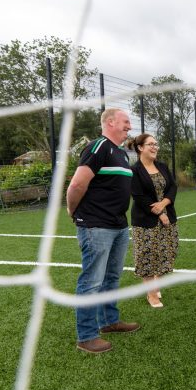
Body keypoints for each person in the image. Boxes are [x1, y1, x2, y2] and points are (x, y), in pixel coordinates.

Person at [66, 108, 140, 354]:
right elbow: (77, 184)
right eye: (125, 122)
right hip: (96, 225)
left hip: (118, 225)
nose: (129, 126)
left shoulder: (121, 153)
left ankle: (109, 321)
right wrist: (72, 210)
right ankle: (86, 336)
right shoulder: (98, 147)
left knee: (111, 277)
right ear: (110, 122)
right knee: (91, 281)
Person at [128, 133, 178, 308]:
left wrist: (164, 204)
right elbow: (138, 196)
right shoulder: (134, 170)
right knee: (147, 257)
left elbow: (173, 187)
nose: (155, 147)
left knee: (166, 254)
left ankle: (155, 286)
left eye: (156, 144)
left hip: (168, 218)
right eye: (151, 144)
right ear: (140, 148)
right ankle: (151, 295)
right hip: (145, 221)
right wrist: (159, 213)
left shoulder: (162, 166)